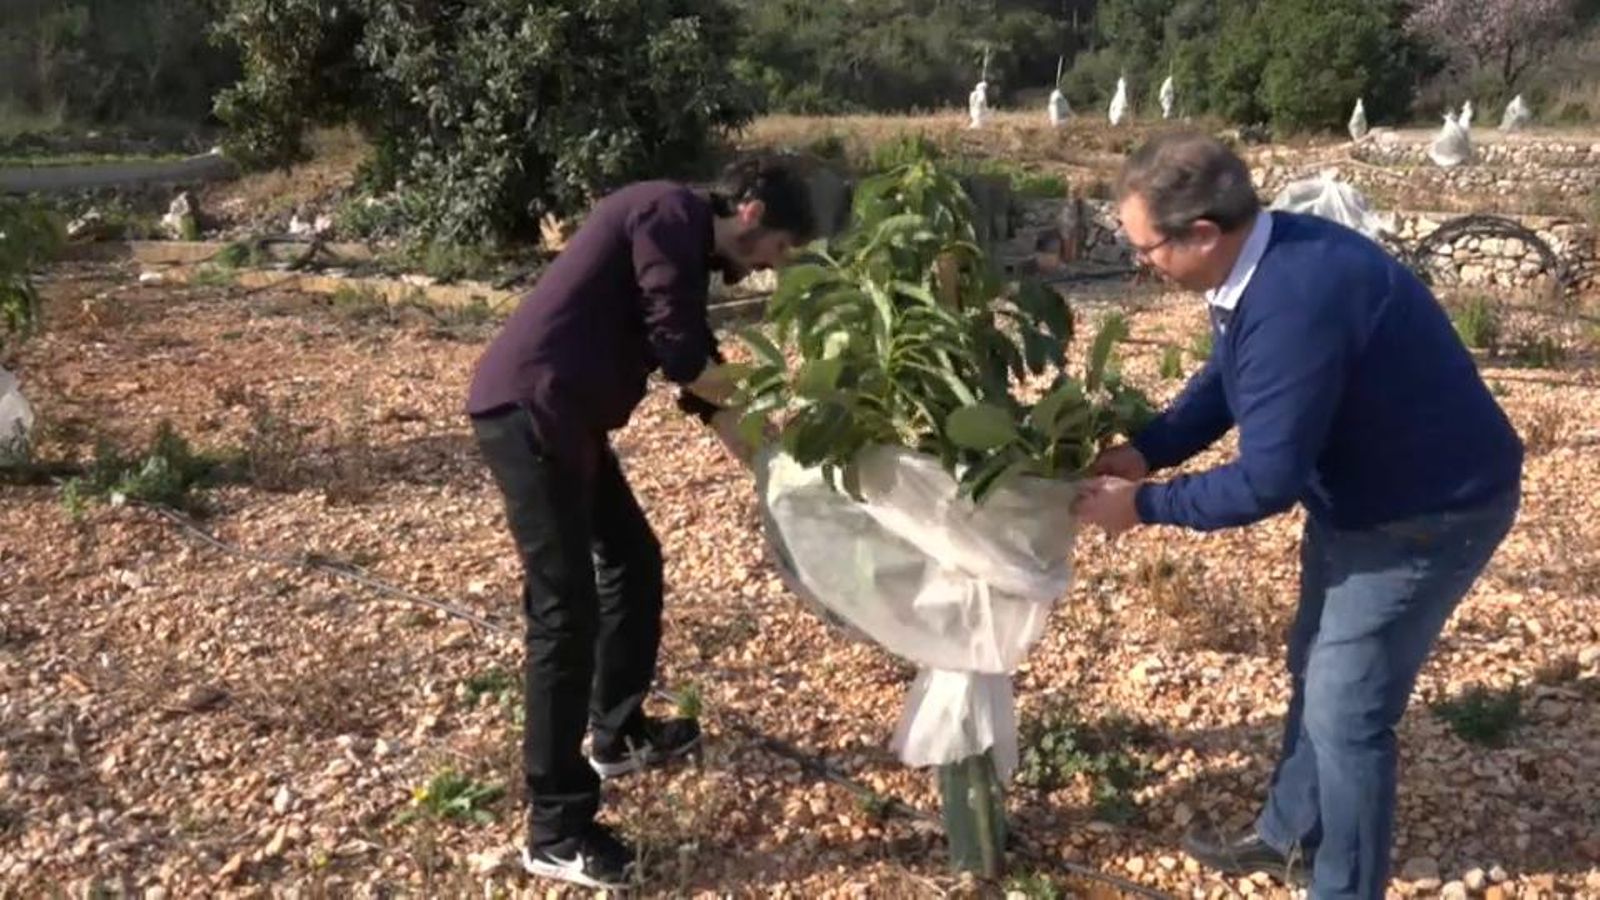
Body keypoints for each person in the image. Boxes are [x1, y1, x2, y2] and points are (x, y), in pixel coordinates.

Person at [1075, 131, 1522, 899]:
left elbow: (1266, 482)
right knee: (1311, 667)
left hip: (1430, 513)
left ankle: (1344, 887)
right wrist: (1148, 451)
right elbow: (1224, 382)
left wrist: (1143, 507)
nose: (1141, 263)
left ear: (1203, 233)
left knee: (1348, 711)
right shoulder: (1260, 262)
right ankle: (1287, 837)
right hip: (1360, 499)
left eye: (1147, 248)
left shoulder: (1296, 298)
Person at [465, 157, 817, 889]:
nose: (769, 269)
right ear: (752, 214)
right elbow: (681, 348)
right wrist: (760, 416)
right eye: (779, 250)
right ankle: (555, 828)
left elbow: (690, 366)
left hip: (567, 421)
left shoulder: (680, 236)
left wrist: (772, 466)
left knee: (633, 557)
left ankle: (616, 733)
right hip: (532, 414)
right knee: (565, 614)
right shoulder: (670, 212)